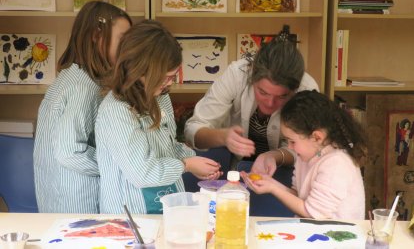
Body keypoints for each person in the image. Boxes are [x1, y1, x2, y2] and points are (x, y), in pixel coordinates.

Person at [95, 20, 222, 214]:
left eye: (173, 76)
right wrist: (187, 165)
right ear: (140, 69)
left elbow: (168, 147)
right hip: (132, 215)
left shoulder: (160, 97)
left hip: (167, 205)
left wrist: (198, 163)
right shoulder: (116, 111)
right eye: (165, 77)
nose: (169, 83)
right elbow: (142, 173)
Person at [33, 1, 132, 213]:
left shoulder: (70, 77)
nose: (128, 49)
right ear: (96, 36)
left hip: (58, 200)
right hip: (77, 204)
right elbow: (69, 151)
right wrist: (115, 167)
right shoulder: (83, 87)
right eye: (123, 40)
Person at [184, 27, 319, 174]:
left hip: (284, 171)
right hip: (234, 166)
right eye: (262, 92)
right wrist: (222, 137)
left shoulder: (307, 90)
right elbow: (193, 129)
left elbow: (308, 148)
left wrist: (275, 156)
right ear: (252, 77)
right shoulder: (237, 75)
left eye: (282, 96)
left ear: (294, 90)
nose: (269, 103)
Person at [242, 90, 367, 219]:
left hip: (336, 236)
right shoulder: (309, 154)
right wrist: (271, 183)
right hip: (312, 232)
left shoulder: (337, 164)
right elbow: (299, 196)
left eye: (292, 141)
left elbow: (312, 213)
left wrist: (273, 188)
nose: (289, 147)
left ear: (317, 137)